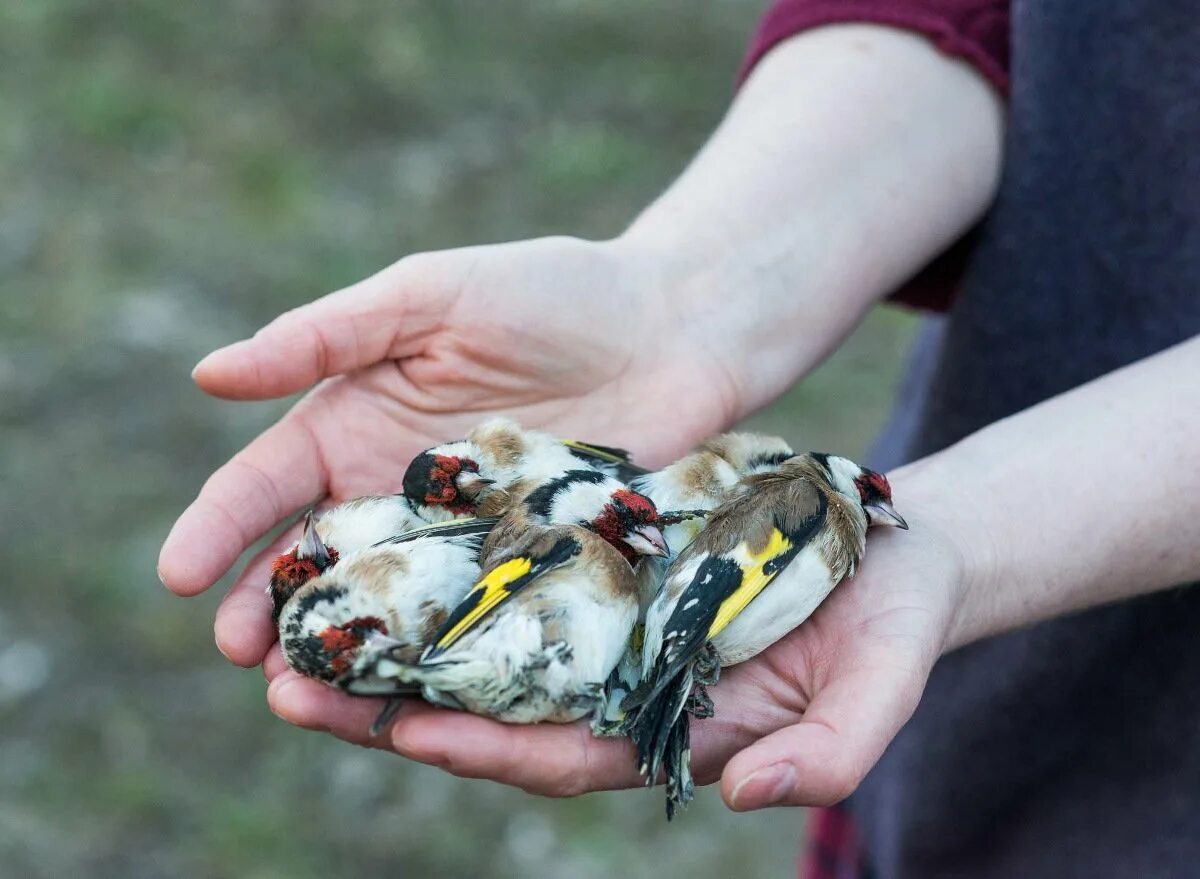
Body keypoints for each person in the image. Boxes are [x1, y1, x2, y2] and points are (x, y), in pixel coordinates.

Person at [159, 1, 1200, 876]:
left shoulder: (753, 522)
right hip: (958, 771)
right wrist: (681, 296)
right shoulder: (616, 524)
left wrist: (970, 533)